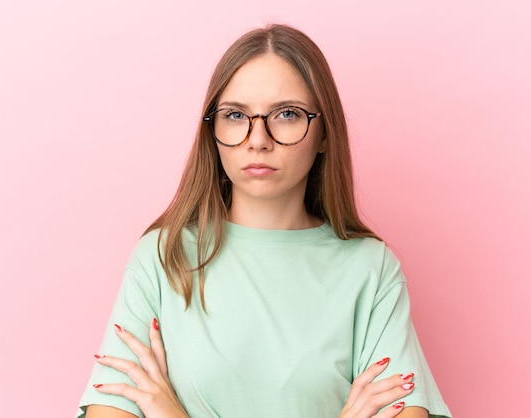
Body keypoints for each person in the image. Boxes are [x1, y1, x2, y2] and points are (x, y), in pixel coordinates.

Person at [77, 24, 452, 418]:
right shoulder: (162, 257)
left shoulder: (371, 269)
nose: (258, 139)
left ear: (324, 132)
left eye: (286, 114)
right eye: (236, 115)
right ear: (213, 129)